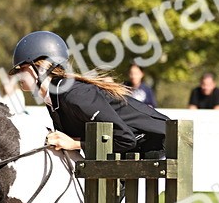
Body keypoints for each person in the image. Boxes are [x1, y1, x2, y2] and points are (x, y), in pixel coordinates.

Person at [10, 31, 168, 156]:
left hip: (164, 146)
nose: (17, 75)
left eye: (21, 69)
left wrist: (76, 143)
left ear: (42, 67)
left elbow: (125, 139)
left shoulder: (75, 95)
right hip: (137, 152)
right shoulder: (54, 98)